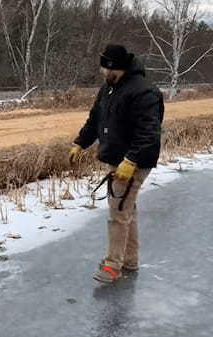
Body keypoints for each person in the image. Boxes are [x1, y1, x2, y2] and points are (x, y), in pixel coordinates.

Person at [69, 44, 164, 283]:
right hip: (118, 159)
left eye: (104, 67)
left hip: (134, 161)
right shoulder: (109, 88)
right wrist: (80, 142)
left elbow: (149, 132)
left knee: (117, 213)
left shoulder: (143, 92)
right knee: (125, 209)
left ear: (114, 67)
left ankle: (113, 265)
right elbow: (95, 118)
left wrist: (131, 160)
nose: (101, 71)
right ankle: (129, 261)